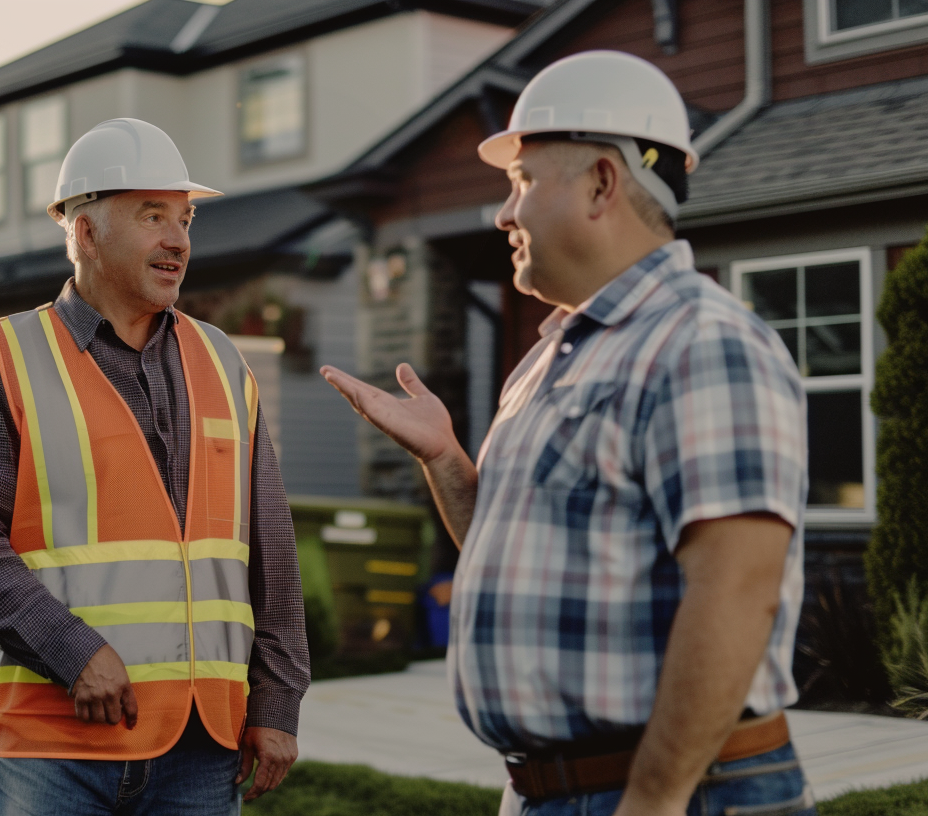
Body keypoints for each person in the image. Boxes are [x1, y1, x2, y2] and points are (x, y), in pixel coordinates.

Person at [322, 51, 813, 816]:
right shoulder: (550, 359)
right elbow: (512, 552)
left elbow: (736, 590)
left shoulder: (702, 341)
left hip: (676, 793)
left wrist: (650, 802)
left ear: (601, 183)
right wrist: (445, 458)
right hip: (555, 792)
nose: (503, 214)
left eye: (521, 183)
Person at [0, 117, 309, 816]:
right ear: (85, 233)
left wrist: (279, 699)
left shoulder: (224, 362)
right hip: (53, 749)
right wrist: (69, 650)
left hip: (201, 747)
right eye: (152, 215)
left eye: (186, 218)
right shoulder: (4, 356)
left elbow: (270, 546)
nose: (179, 240)